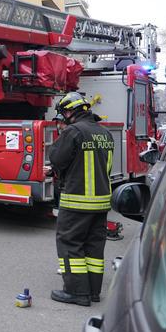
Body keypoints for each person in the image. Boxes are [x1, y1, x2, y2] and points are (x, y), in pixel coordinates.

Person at [48, 92, 115, 306]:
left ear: (70, 111)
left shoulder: (73, 131)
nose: (64, 118)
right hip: (101, 202)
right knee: (94, 247)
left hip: (77, 201)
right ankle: (93, 292)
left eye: (64, 113)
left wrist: (53, 170)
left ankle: (77, 293)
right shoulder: (105, 134)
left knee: (70, 244)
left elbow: (57, 159)